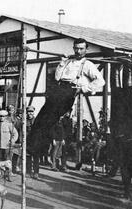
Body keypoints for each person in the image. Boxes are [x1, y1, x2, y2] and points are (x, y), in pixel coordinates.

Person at [28, 38, 105, 171]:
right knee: (40, 121)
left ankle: (37, 148)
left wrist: (84, 88)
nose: (78, 51)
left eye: (81, 48)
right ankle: (33, 148)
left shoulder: (87, 64)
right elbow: (57, 77)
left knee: (48, 121)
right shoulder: (68, 61)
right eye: (76, 48)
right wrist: (62, 63)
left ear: (86, 49)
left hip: (69, 92)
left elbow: (100, 81)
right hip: (58, 89)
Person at [0, 110, 18, 181]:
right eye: (0, 116)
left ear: (6, 117)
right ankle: (0, 174)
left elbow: (15, 134)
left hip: (7, 146)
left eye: (3, 116)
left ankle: (8, 175)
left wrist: (12, 141)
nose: (1, 118)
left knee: (8, 161)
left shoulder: (9, 124)